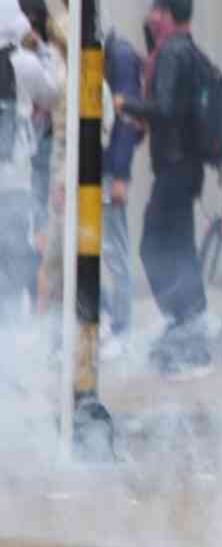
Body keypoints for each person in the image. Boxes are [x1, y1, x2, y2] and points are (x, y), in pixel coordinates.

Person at [115, 0, 211, 379]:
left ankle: (187, 326)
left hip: (174, 167)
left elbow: (166, 108)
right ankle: (191, 333)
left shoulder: (171, 53)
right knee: (178, 248)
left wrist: (129, 105)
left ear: (168, 14)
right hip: (186, 167)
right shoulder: (190, 50)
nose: (149, 17)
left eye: (155, 9)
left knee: (153, 246)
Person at [0, 0, 56, 318]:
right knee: (11, 261)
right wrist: (41, 48)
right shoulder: (25, 64)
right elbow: (53, 94)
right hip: (16, 181)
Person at [99, 18, 144, 359]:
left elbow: (127, 121)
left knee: (115, 250)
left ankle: (123, 328)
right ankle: (107, 319)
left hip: (109, 170)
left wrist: (120, 174)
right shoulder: (109, 53)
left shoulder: (120, 56)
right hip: (99, 167)